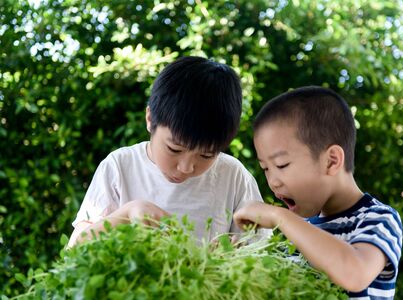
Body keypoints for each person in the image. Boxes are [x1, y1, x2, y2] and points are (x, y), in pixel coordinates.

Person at [68, 56, 268, 247]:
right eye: (174, 148)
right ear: (149, 119)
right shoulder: (119, 166)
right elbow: (75, 249)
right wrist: (127, 214)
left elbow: (260, 251)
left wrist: (234, 255)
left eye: (206, 155)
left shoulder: (233, 176)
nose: (186, 167)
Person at [233, 86, 403, 299]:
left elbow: (355, 274)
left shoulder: (378, 220)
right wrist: (238, 260)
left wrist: (279, 216)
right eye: (266, 169)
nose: (273, 182)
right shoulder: (299, 232)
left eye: (282, 165)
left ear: (331, 161)